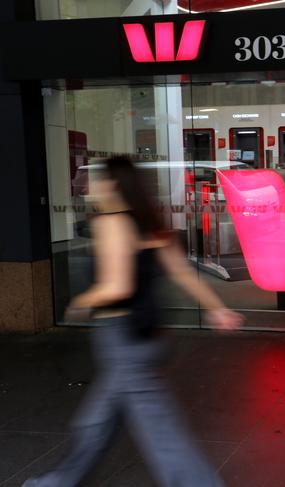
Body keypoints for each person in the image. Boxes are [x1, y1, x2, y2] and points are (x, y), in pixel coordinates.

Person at [23, 157, 243, 487]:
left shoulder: (112, 223)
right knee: (95, 423)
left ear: (114, 186)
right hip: (148, 337)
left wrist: (79, 302)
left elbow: (117, 286)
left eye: (97, 181)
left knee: (161, 432)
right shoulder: (148, 223)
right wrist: (217, 308)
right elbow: (183, 273)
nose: (89, 188)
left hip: (122, 339)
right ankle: (57, 482)